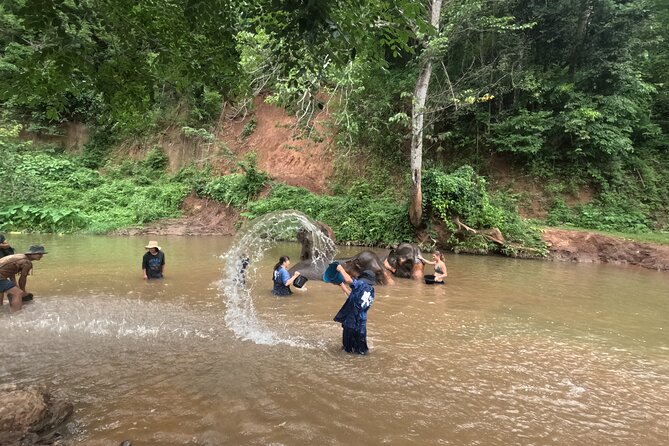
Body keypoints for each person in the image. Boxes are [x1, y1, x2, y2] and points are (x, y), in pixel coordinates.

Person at [333, 266, 376, 355]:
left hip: (352, 320)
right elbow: (353, 295)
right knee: (361, 349)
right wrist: (342, 286)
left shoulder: (361, 284)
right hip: (362, 322)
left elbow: (349, 280)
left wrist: (341, 269)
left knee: (347, 349)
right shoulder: (371, 290)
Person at [0, 245, 47, 311]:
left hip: (2, 276)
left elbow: (10, 272)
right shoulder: (27, 262)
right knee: (17, 293)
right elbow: (23, 278)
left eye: (42, 254)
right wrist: (23, 291)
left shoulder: (18, 256)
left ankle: (2, 313)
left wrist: (15, 285)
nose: (41, 256)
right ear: (31, 253)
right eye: (39, 253)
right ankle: (16, 316)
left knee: (4, 292)